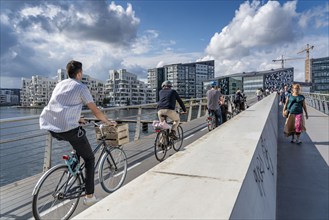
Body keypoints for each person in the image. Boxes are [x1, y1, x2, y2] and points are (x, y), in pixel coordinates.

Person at [39, 60, 117, 206]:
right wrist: (107, 122)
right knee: (89, 159)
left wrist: (77, 118)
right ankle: (89, 196)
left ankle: (73, 166)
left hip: (52, 126)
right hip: (68, 129)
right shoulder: (81, 87)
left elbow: (61, 106)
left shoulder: (59, 84)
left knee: (77, 144)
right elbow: (95, 110)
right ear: (79, 73)